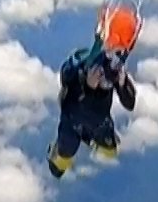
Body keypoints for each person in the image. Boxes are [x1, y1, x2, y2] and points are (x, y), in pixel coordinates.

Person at [48, 45, 137, 178]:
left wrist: (122, 83)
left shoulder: (112, 70)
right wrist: (88, 87)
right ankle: (58, 155)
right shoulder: (78, 71)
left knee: (110, 150)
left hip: (96, 120)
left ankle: (89, 140)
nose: (105, 82)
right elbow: (71, 104)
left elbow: (130, 104)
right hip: (73, 121)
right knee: (60, 163)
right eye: (103, 78)